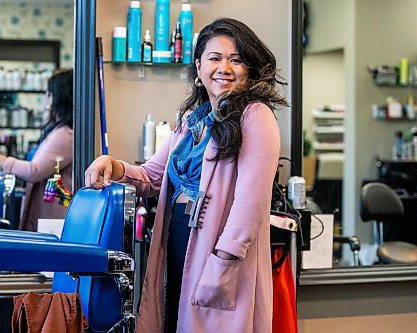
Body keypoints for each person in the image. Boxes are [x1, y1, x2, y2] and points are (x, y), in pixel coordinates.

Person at [85, 18, 287, 333]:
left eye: (236, 60)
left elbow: (251, 204)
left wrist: (221, 263)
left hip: (218, 253)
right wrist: (114, 165)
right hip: (178, 240)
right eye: (215, 58)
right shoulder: (193, 120)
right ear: (198, 66)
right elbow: (151, 177)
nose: (225, 67)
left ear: (249, 69)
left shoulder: (255, 117)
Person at [0, 68, 73, 231]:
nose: (46, 100)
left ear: (57, 97)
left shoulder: (65, 135)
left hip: (52, 222)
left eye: (49, 94)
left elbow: (34, 171)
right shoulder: (59, 132)